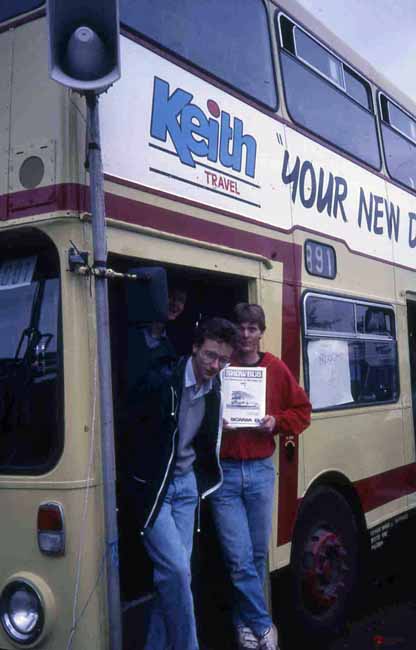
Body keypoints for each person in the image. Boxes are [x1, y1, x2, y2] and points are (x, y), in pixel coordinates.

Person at [126, 317, 238, 650]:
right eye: (209, 355)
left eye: (222, 359)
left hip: (187, 488)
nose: (215, 365)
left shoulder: (214, 388)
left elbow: (200, 441)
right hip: (155, 491)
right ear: (194, 348)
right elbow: (130, 432)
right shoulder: (163, 382)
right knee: (176, 572)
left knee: (176, 579)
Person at [209, 303, 312, 650]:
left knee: (255, 555)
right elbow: (196, 409)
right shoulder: (221, 367)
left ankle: (243, 624)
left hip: (259, 472)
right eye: (242, 328)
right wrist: (215, 423)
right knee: (238, 557)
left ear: (261, 332)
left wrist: (276, 422)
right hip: (224, 475)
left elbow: (302, 411)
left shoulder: (275, 368)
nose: (247, 335)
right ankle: (265, 626)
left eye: (253, 329)